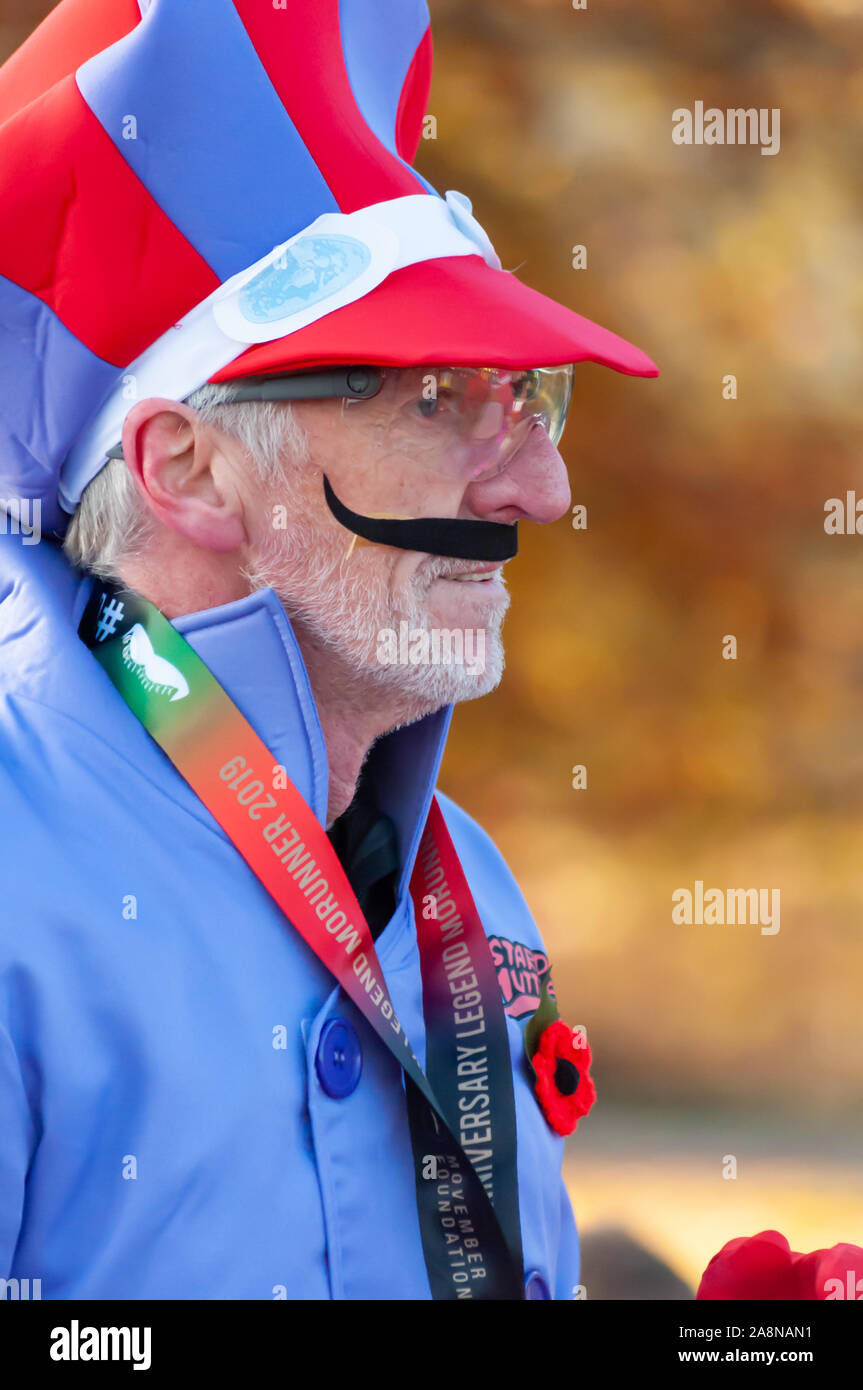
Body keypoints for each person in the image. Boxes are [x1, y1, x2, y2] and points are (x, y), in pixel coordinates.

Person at [0, 0, 657, 1300]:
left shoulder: (467, 882)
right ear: (187, 469)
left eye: (529, 400)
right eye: (435, 399)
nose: (543, 486)